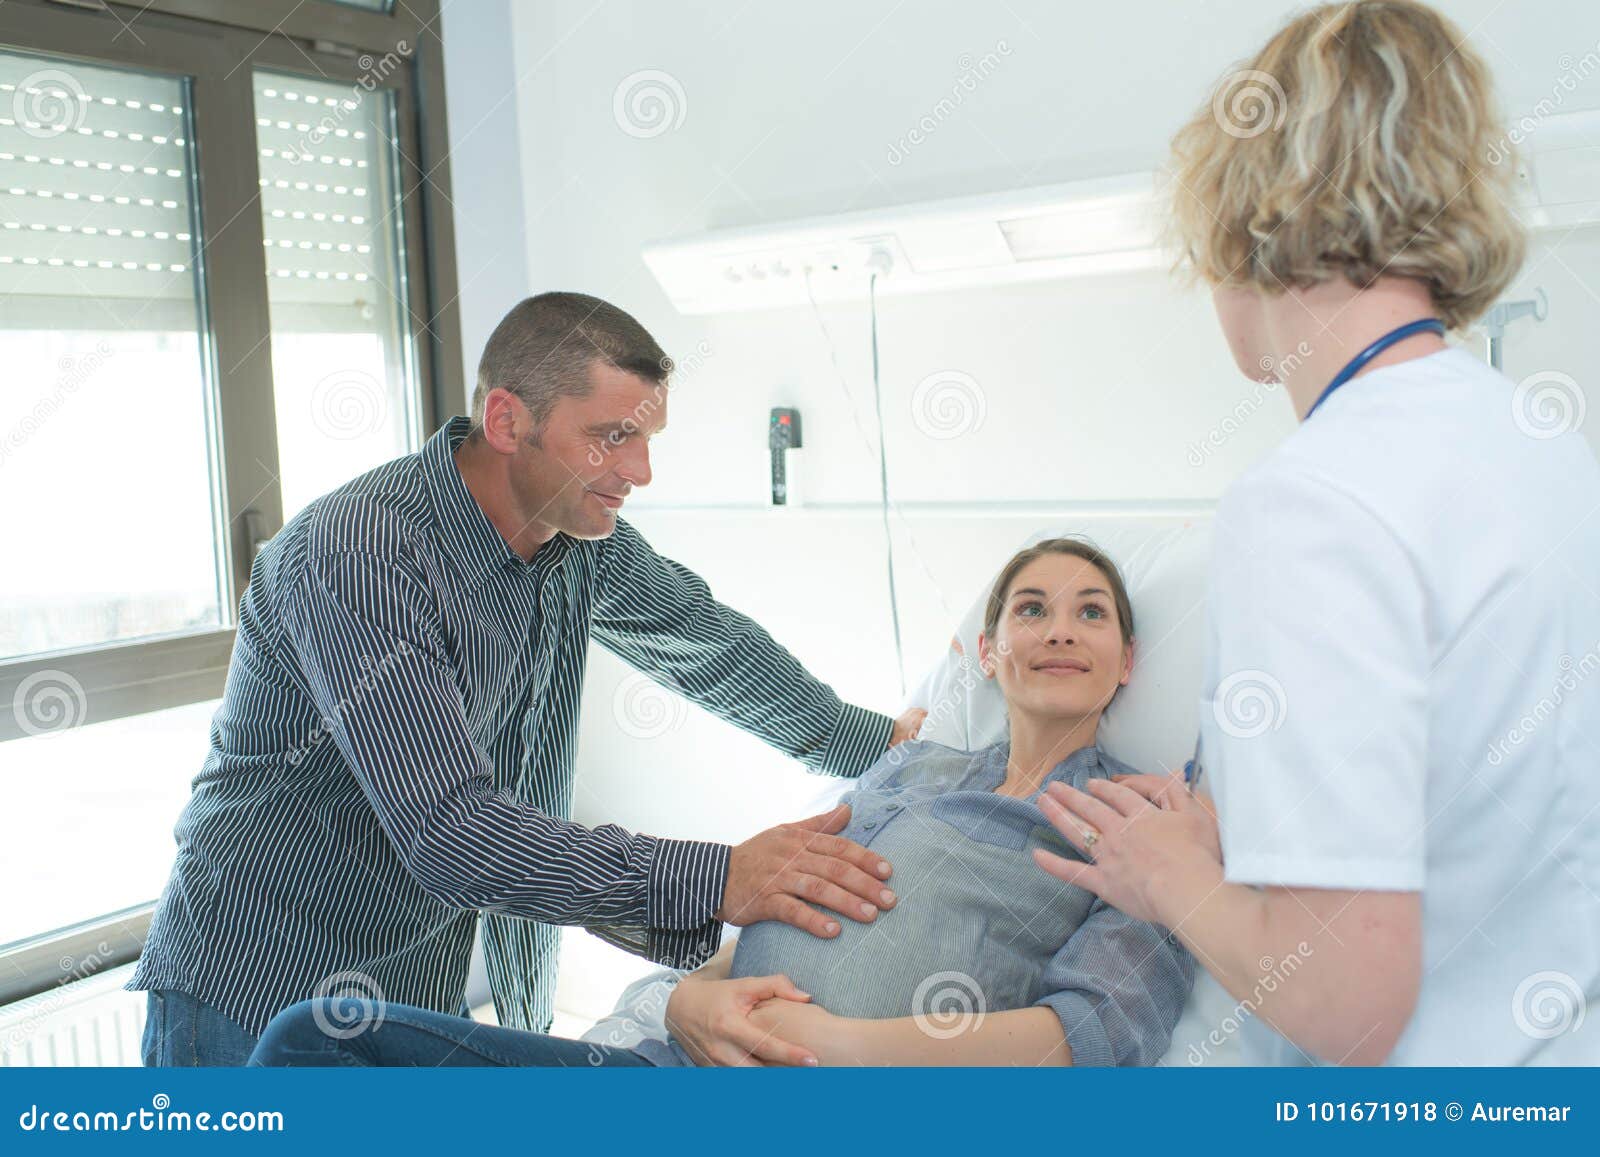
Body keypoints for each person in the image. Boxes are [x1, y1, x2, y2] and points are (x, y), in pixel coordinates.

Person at [132, 291, 925, 1067]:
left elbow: (709, 645)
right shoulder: (363, 553)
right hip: (249, 990)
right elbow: (451, 830)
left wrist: (882, 746)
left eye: (647, 437)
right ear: (509, 420)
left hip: (407, 990)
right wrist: (719, 876)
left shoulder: (578, 539)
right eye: (611, 436)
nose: (640, 470)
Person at [1034, 0, 1600, 1065]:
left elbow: (1347, 1000)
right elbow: (1473, 799)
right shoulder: (1546, 450)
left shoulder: (1311, 500)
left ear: (1239, 220)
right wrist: (1241, 832)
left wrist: (1170, 875)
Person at [247, 539, 1193, 1066]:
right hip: (675, 1074)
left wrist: (839, 1047)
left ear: (1129, 663)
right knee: (314, 1044)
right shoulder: (910, 772)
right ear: (987, 654)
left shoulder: (1140, 828)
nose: (1059, 630)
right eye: (1030, 608)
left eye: (1090, 612)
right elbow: (776, 912)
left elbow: (1093, 1037)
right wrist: (691, 1000)